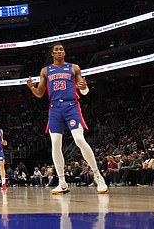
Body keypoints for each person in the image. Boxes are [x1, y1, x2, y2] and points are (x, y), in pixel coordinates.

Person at [26, 43, 108, 195]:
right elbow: (39, 93)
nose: (58, 52)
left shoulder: (74, 68)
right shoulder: (46, 71)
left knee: (79, 139)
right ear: (52, 54)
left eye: (61, 49)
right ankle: (62, 182)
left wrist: (84, 87)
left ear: (64, 52)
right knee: (56, 144)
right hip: (55, 108)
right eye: (56, 50)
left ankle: (98, 176)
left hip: (71, 107)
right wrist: (32, 88)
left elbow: (83, 90)